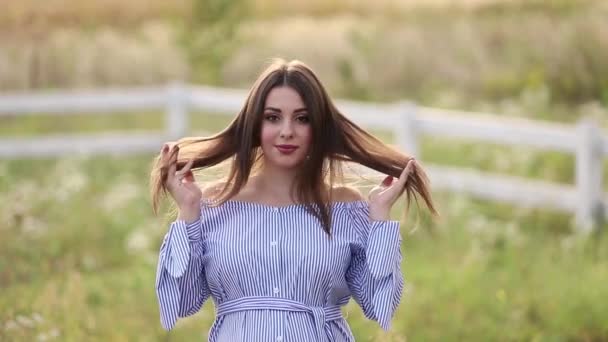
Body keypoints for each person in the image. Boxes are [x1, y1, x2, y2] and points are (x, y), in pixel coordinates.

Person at [150, 58, 436, 341]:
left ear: (319, 128)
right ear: (255, 125)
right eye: (273, 117)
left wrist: (379, 216)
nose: (287, 130)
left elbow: (378, 306)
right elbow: (183, 303)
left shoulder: (346, 207)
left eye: (302, 118)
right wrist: (187, 213)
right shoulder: (215, 204)